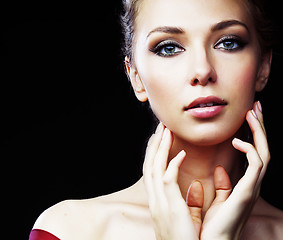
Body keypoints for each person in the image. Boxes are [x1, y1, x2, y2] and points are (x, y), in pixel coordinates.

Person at [30, 0, 283, 239]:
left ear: (263, 65)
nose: (203, 71)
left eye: (228, 43)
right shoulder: (70, 231)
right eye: (169, 48)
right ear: (136, 77)